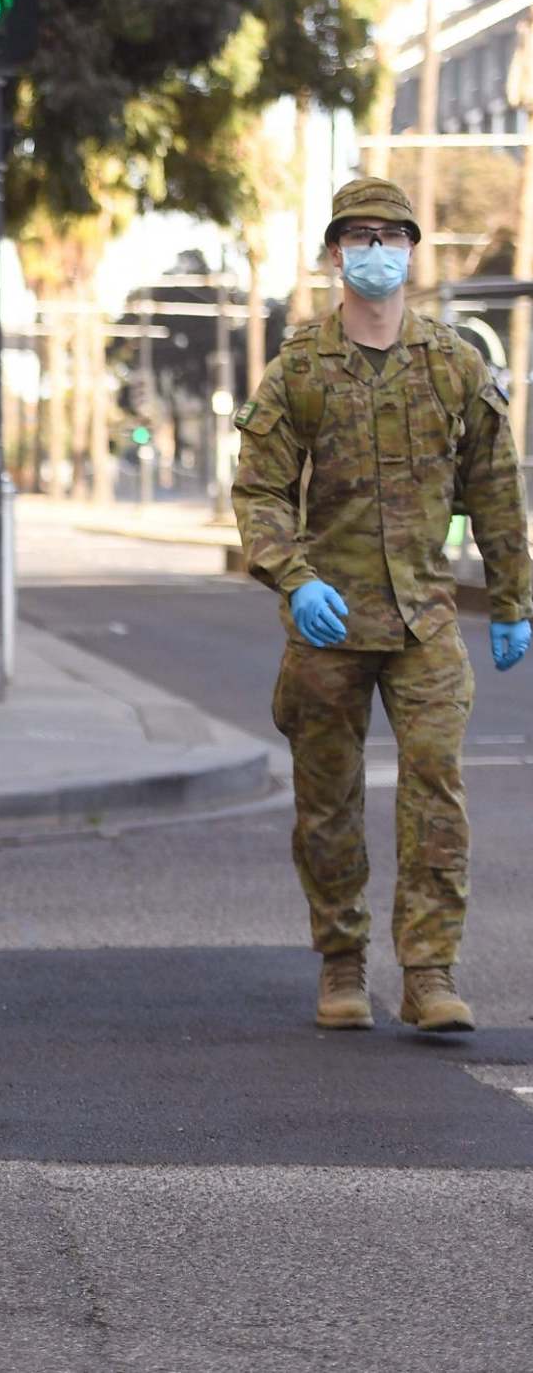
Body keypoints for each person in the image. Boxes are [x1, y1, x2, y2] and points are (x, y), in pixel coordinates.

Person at [232, 176, 530, 1034]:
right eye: (359, 236)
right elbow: (258, 492)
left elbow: (497, 488)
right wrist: (294, 576)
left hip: (426, 620)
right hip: (328, 622)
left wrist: (512, 597)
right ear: (334, 253)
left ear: (411, 251)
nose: (375, 250)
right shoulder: (300, 369)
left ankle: (430, 972)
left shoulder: (453, 365)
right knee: (327, 800)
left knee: (436, 789)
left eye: (391, 236)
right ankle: (342, 962)